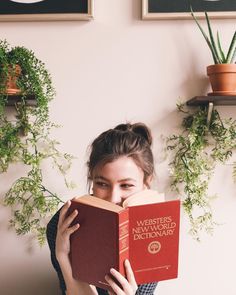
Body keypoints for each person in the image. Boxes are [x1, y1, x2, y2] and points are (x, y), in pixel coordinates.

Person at [47, 122, 158, 295]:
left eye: (127, 185)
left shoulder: (156, 225)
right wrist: (63, 256)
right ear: (91, 178)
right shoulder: (63, 223)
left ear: (147, 181)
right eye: (102, 184)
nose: (113, 198)